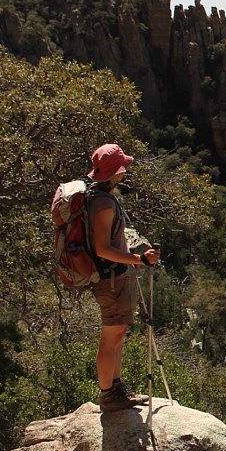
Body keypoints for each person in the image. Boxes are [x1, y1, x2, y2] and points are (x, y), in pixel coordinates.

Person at [86, 143, 160, 412]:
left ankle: (116, 388)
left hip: (115, 277)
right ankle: (108, 395)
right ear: (114, 172)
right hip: (111, 280)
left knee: (118, 335)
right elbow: (103, 249)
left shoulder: (100, 195)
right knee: (110, 338)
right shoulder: (103, 202)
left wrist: (133, 257)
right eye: (121, 168)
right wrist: (137, 259)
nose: (124, 172)